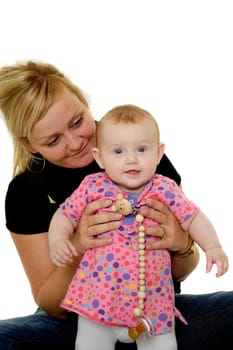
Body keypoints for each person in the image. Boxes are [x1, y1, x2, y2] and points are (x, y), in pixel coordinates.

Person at [0, 60, 232, 350]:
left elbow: (183, 268)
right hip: (82, 316)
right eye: (54, 139)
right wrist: (77, 245)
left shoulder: (137, 150)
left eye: (77, 122)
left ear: (85, 103)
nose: (75, 142)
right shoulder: (26, 191)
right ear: (30, 145)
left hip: (153, 311)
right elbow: (52, 305)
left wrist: (180, 241)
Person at [48, 104, 228, 350]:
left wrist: (213, 247)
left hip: (152, 303)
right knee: (90, 343)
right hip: (99, 299)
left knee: (162, 345)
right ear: (100, 158)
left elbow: (194, 217)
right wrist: (59, 239)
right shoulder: (92, 186)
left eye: (142, 149)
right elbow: (64, 215)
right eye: (119, 151)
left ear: (158, 153)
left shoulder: (165, 189)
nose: (131, 159)